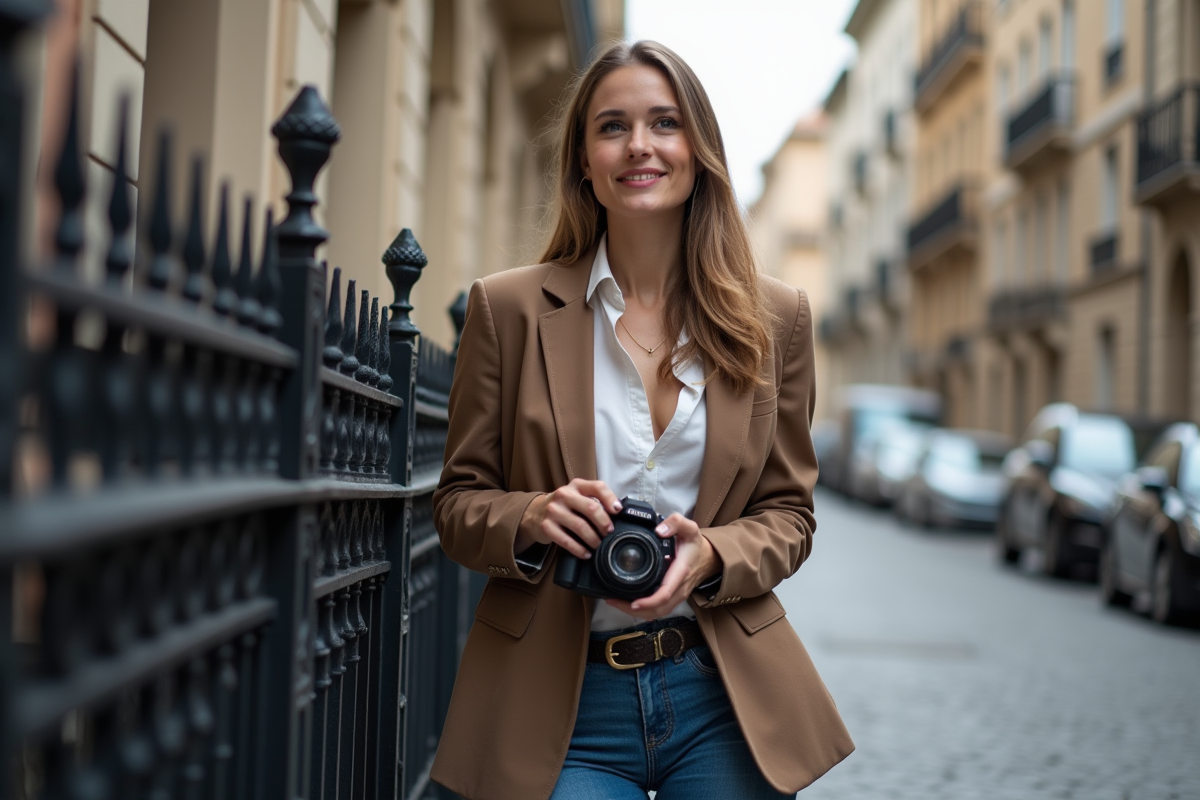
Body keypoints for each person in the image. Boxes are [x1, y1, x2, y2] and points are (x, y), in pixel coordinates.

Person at [430, 40, 852, 800]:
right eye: (612, 126)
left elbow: (790, 515)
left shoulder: (778, 318)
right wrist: (533, 516)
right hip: (559, 704)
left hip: (720, 693)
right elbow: (457, 505)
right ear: (583, 160)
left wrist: (712, 553)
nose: (639, 146)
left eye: (664, 122)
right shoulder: (508, 309)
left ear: (699, 149)